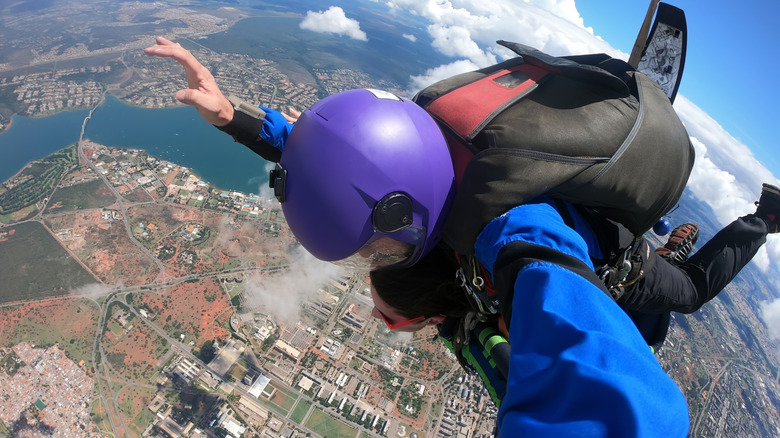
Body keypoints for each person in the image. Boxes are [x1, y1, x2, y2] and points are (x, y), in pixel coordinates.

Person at [144, 36, 778, 437]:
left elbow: (629, 406)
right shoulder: (423, 156)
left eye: (377, 246)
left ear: (408, 209)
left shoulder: (518, 235)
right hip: (516, 247)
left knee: (685, 294)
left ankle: (763, 218)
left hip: (614, 268)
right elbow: (343, 157)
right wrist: (236, 120)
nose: (376, 259)